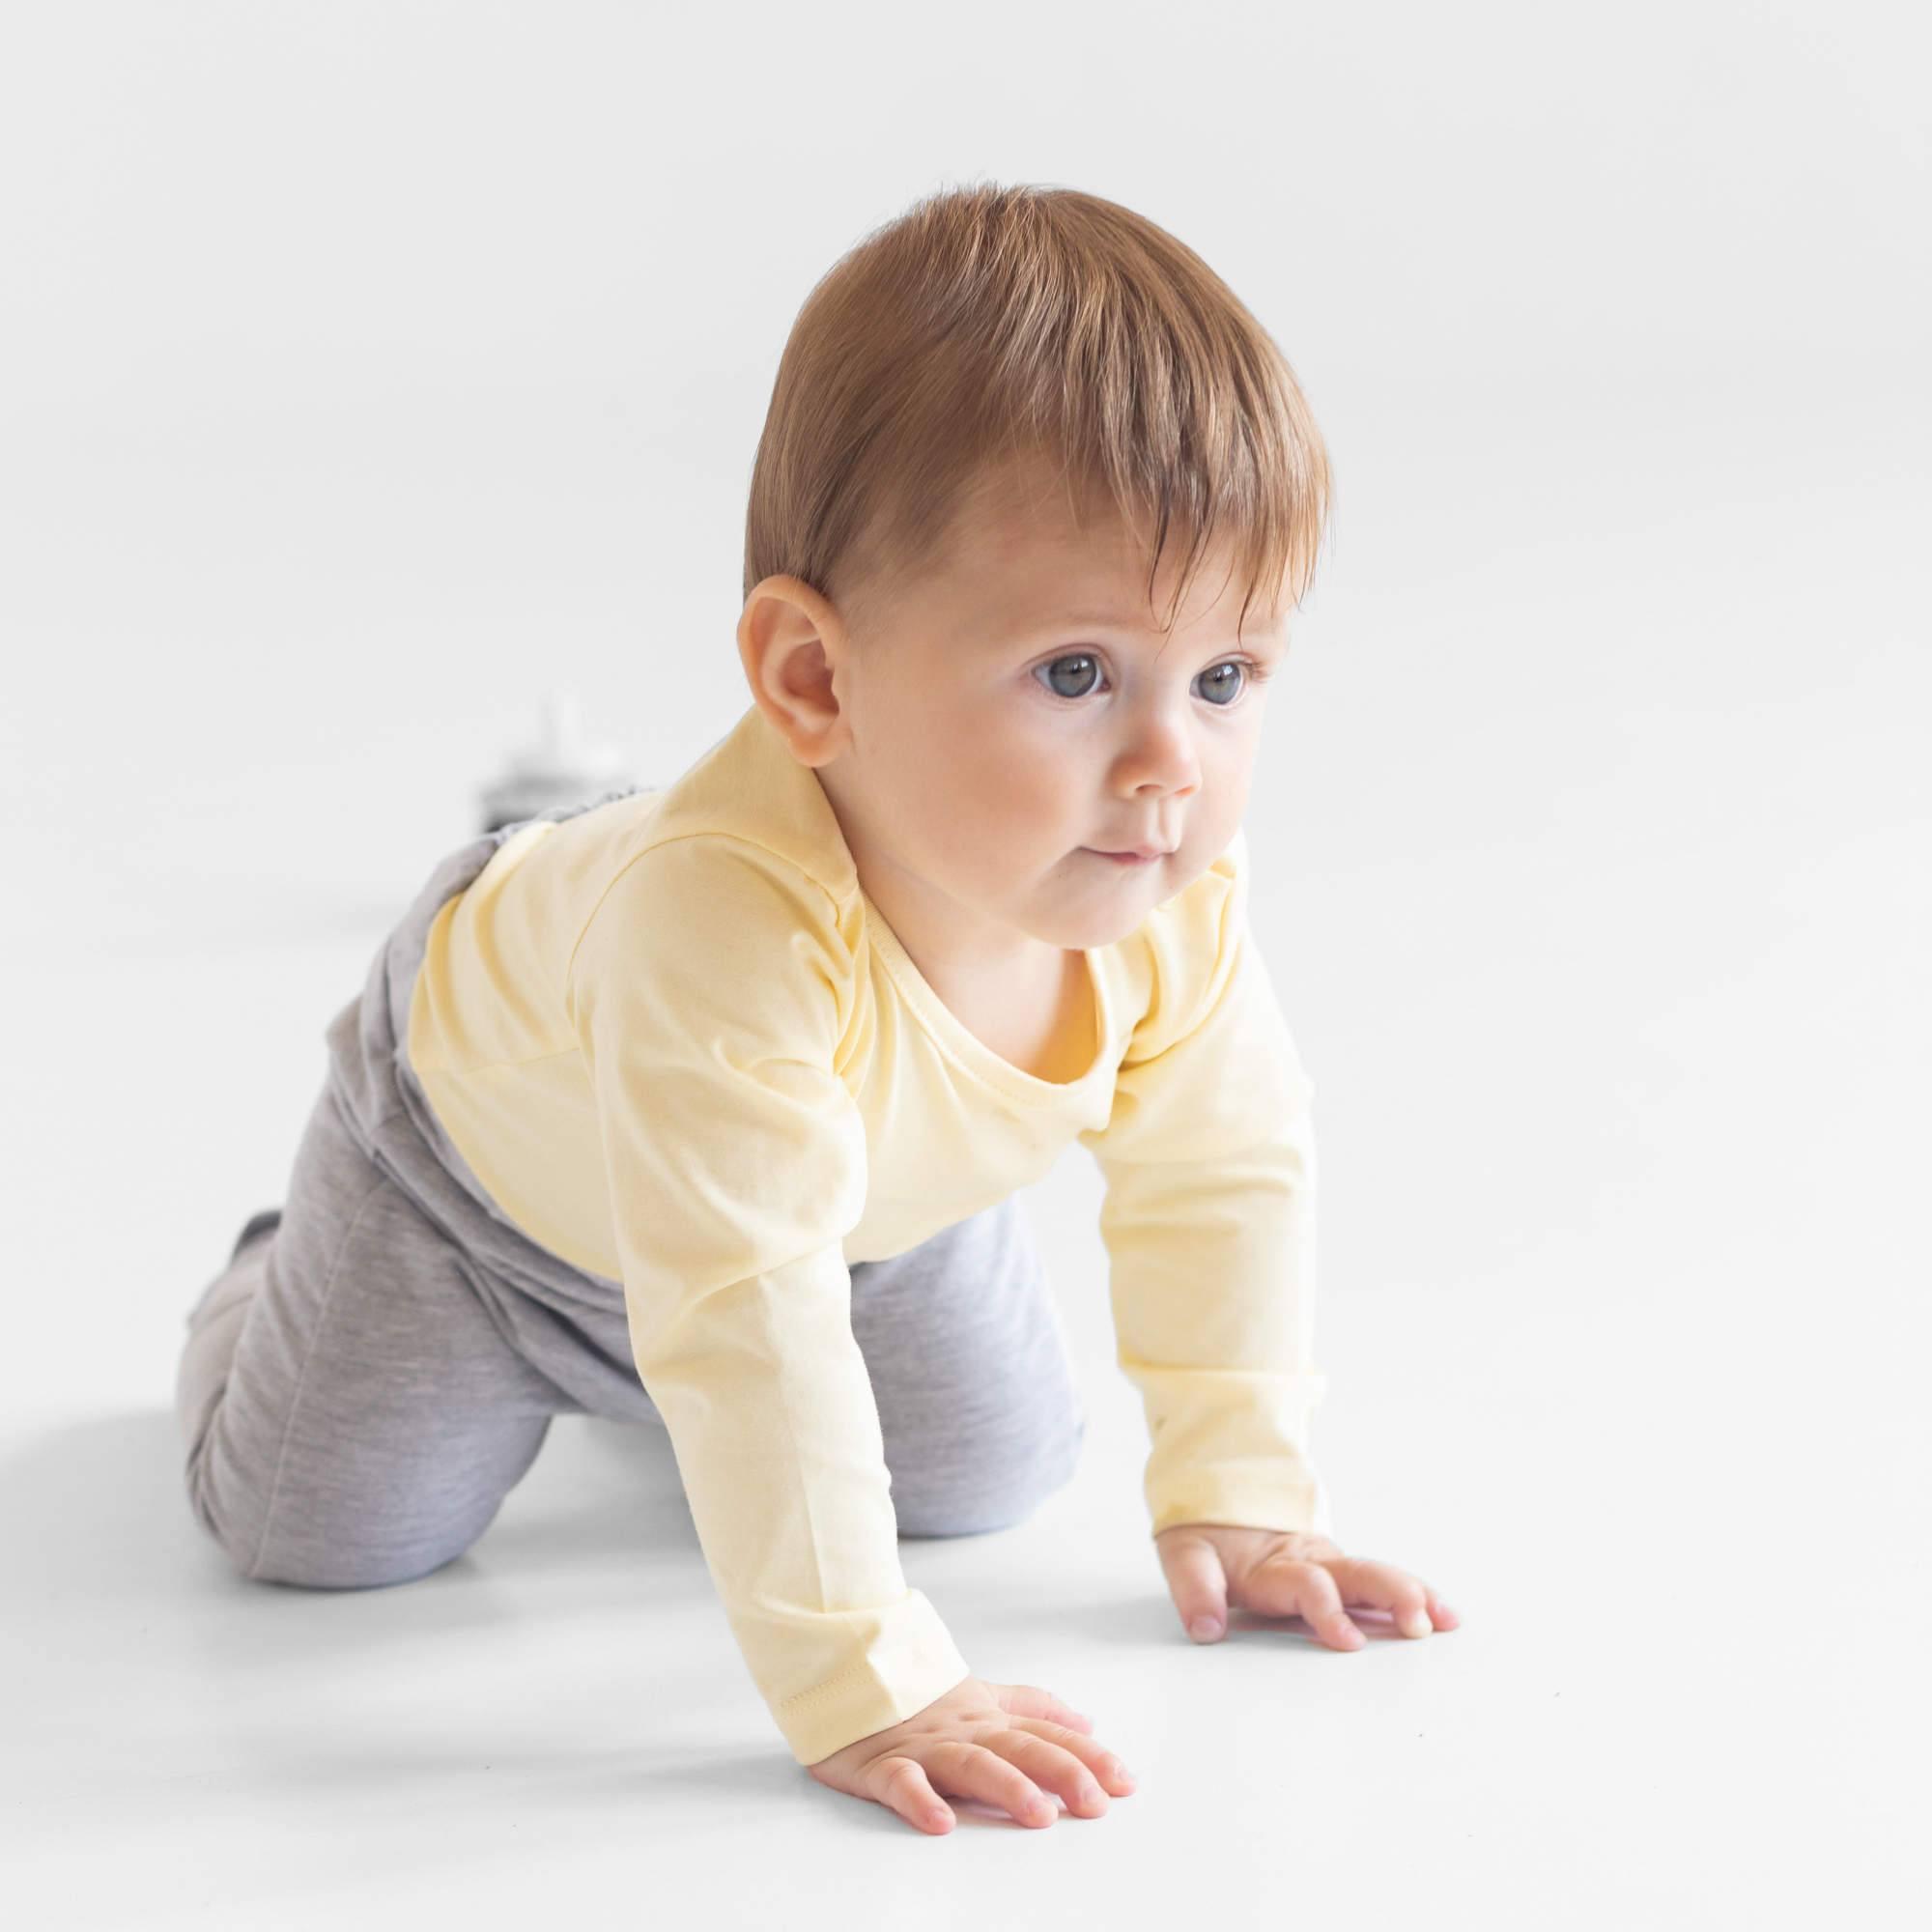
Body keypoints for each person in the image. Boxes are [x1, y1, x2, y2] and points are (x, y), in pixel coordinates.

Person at [174, 180, 1460, 1837]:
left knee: (988, 1476)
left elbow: (1224, 1173)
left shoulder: (1162, 892)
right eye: (1078, 675)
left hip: (841, 1195)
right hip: (471, 1194)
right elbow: (742, 1312)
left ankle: (679, 1316)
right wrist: (869, 1683)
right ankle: (278, 1267)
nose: (1170, 766)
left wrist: (1245, 1499)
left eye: (1226, 678)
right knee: (321, 1536)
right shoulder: (723, 930)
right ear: (812, 679)